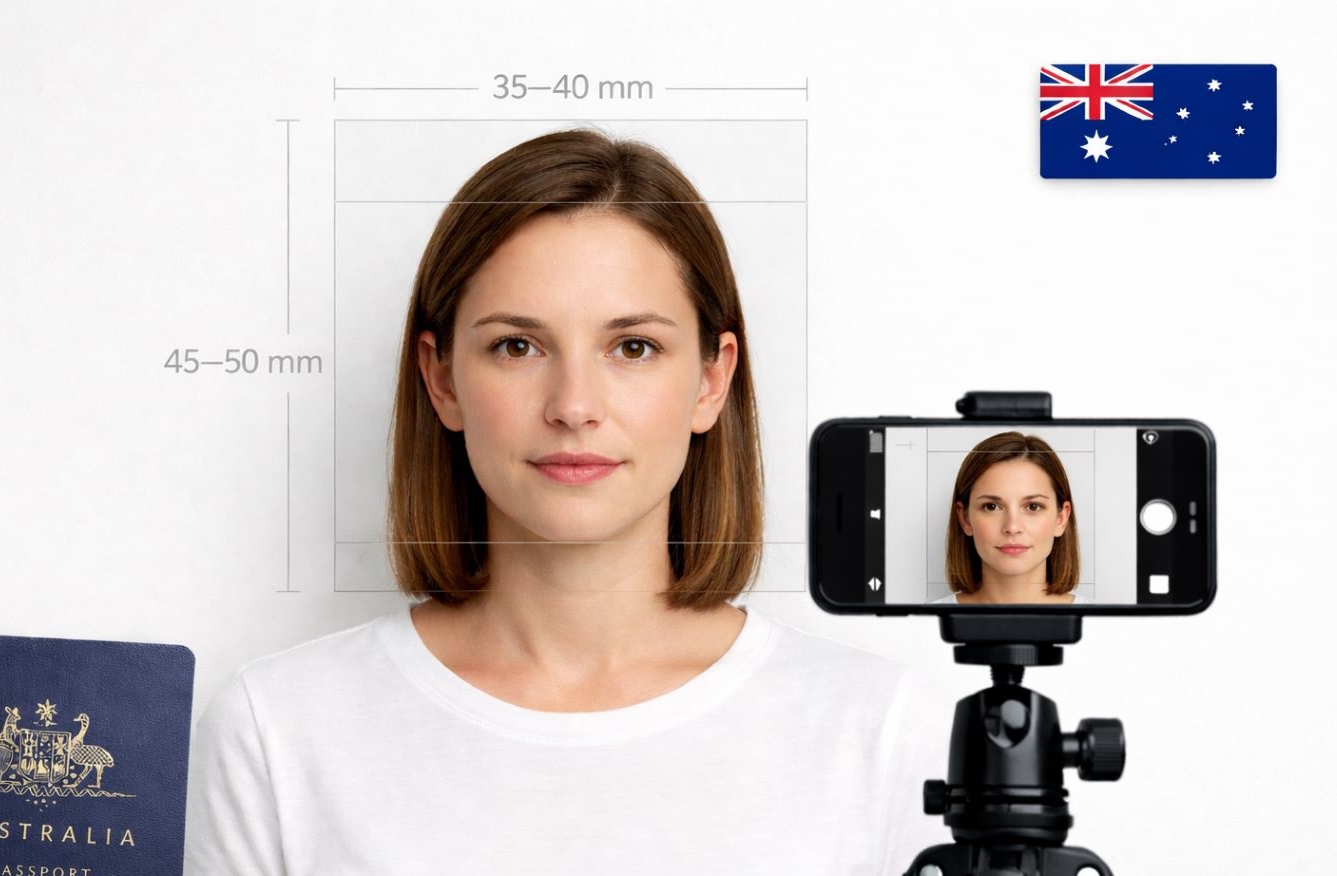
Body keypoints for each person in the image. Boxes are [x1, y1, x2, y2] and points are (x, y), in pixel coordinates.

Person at [185, 128, 949, 875]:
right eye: (517, 346)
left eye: (633, 347)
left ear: (711, 381)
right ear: (441, 379)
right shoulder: (277, 730)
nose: (574, 406)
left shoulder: (880, 732)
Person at [931, 431, 1092, 605]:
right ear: (964, 518)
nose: (1012, 527)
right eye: (991, 506)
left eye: (1033, 506)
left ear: (1061, 519)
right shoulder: (923, 620)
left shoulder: (1103, 621)